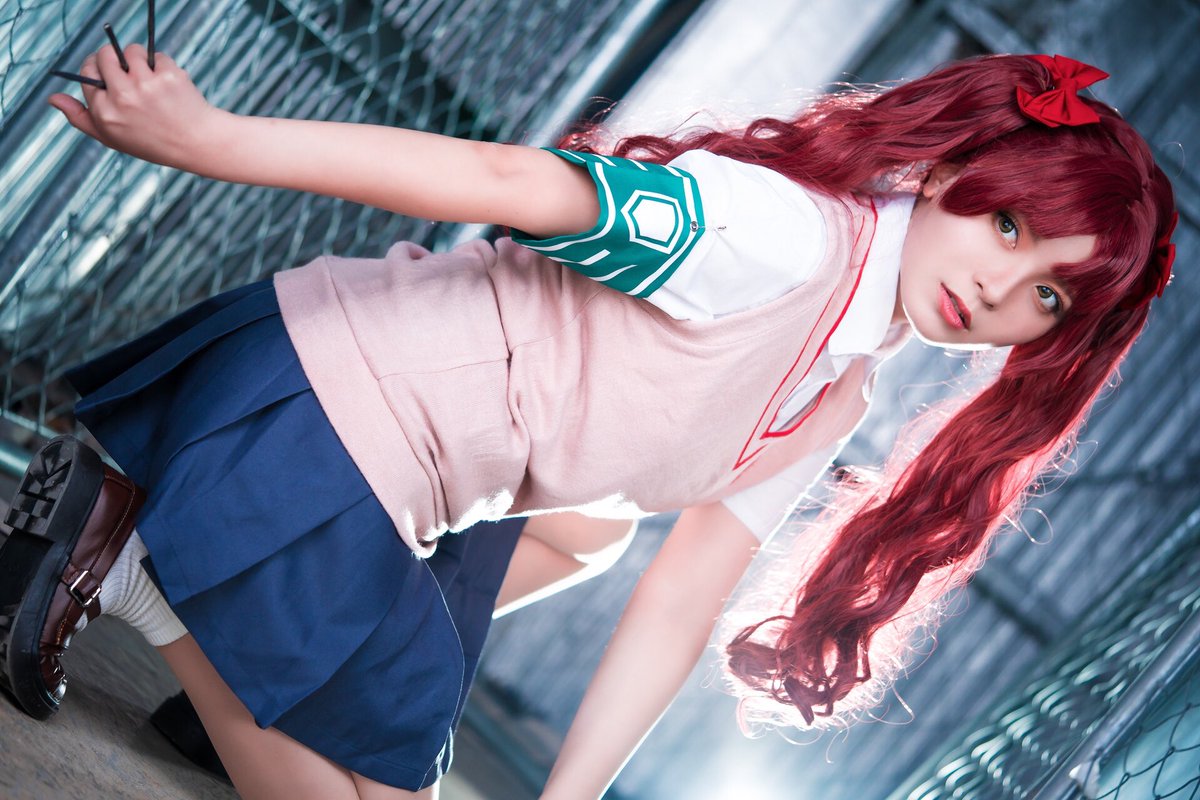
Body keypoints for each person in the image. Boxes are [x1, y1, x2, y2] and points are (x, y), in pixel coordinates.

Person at [0, 42, 1176, 799]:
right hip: (313, 409)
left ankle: (248, 659)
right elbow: (516, 185)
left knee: (594, 532)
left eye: (1049, 297)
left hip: (390, 460)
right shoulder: (783, 237)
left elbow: (679, 601)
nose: (998, 288)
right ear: (950, 175)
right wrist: (213, 141)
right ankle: (141, 563)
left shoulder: (840, 386)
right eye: (1010, 228)